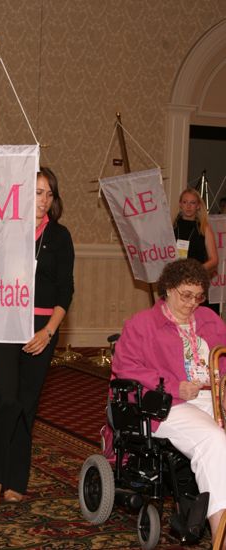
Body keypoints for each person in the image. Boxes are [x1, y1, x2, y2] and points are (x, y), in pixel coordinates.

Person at [112, 258, 226, 545]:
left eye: (198, 296)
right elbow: (126, 368)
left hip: (211, 398)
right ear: (169, 289)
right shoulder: (143, 324)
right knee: (214, 441)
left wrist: (223, 383)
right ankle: (221, 535)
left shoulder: (210, 320)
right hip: (168, 406)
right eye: (185, 295)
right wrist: (175, 387)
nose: (191, 303)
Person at [0, 166, 75, 509]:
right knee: (6, 398)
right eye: (37, 192)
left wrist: (48, 332)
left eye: (49, 193)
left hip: (41, 329)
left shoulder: (60, 237)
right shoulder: (5, 231)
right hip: (4, 324)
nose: (43, 200)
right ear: (23, 194)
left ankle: (16, 479)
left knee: (25, 404)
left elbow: (66, 291)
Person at [173, 188, 218, 274]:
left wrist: (196, 270)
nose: (188, 206)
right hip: (174, 276)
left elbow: (214, 260)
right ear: (180, 204)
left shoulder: (204, 228)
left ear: (198, 206)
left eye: (192, 203)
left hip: (196, 278)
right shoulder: (172, 226)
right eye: (185, 202)